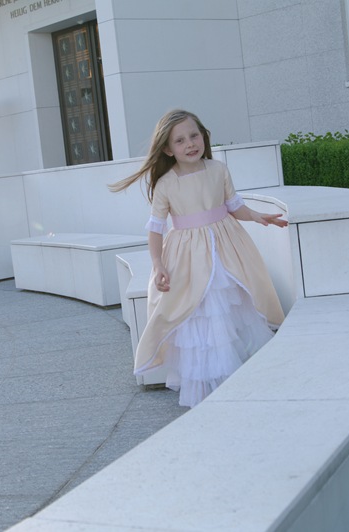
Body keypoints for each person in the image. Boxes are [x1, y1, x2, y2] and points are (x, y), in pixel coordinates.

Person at [109, 109, 287, 408]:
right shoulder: (166, 184)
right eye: (179, 140)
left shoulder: (218, 170)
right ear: (168, 149)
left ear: (204, 136)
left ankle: (247, 379)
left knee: (232, 306)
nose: (190, 144)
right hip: (189, 256)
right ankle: (214, 388)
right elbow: (155, 229)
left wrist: (257, 216)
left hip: (225, 248)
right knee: (201, 312)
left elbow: (235, 206)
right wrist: (158, 264)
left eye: (194, 136)